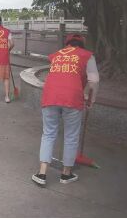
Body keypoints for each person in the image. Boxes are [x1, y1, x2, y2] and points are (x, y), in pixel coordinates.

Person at [32, 34, 99, 186]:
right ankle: (66, 174)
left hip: (50, 96)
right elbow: (94, 81)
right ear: (81, 45)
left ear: (67, 44)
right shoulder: (87, 55)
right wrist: (90, 99)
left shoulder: (56, 55)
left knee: (48, 133)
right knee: (71, 136)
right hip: (72, 98)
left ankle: (41, 174)